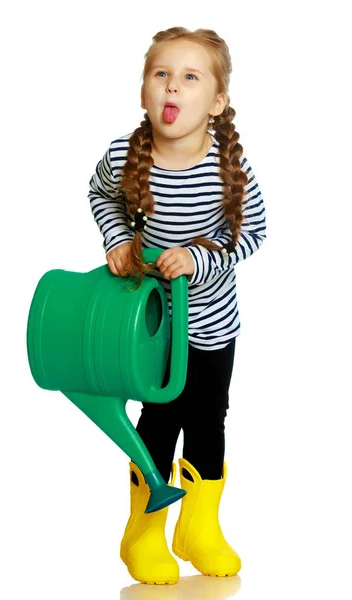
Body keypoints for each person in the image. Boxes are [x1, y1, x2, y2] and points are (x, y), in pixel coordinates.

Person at [88, 27, 267, 585]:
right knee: (158, 422)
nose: (172, 87)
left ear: (216, 102)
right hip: (150, 327)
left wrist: (196, 258)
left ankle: (199, 526)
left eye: (191, 77)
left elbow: (253, 233)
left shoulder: (226, 168)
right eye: (161, 74)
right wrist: (117, 239)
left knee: (208, 421)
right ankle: (143, 533)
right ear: (144, 90)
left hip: (212, 324)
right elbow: (100, 195)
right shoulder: (124, 154)